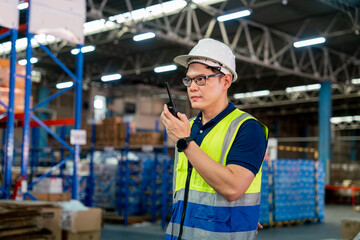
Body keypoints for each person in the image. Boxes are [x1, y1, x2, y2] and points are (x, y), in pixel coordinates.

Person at [161, 38, 268, 240]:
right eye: (189, 80)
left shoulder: (247, 128)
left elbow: (233, 188)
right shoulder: (188, 127)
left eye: (201, 79)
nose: (192, 87)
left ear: (226, 81)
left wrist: (185, 142)